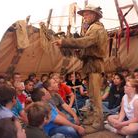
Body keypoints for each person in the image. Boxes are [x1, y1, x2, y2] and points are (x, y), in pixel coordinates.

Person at [52, 4, 108, 133]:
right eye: (83, 15)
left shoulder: (97, 28)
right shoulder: (90, 28)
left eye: (87, 14)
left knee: (96, 97)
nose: (84, 17)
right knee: (92, 96)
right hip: (89, 65)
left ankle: (98, 123)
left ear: (94, 15)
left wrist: (65, 42)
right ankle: (93, 118)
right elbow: (85, 47)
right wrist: (78, 51)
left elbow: (85, 42)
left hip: (94, 65)